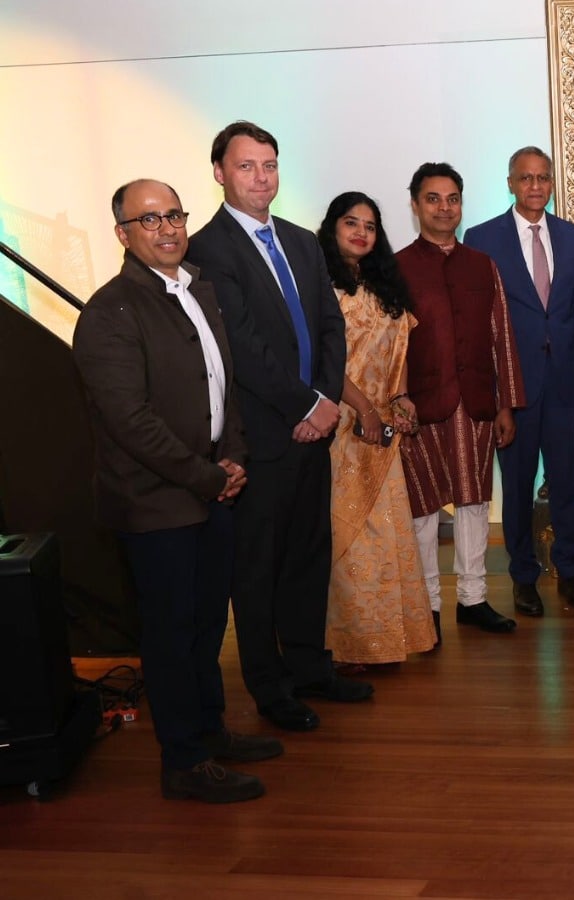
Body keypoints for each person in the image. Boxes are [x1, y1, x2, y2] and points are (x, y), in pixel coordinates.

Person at [75, 179, 279, 802]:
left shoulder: (201, 289)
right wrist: (209, 475)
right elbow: (129, 421)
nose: (166, 228)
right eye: (149, 219)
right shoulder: (110, 311)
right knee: (170, 631)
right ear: (123, 234)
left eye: (173, 215)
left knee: (206, 624)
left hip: (215, 487)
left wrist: (235, 456)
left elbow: (225, 386)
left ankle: (210, 731)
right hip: (157, 502)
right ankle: (184, 761)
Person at [187, 121, 370, 734]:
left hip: (311, 427)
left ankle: (311, 667)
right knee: (258, 567)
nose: (261, 177)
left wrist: (324, 402)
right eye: (246, 166)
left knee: (307, 555)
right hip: (263, 435)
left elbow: (329, 326)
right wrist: (304, 407)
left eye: (269, 165)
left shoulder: (299, 240)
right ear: (219, 172)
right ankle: (268, 687)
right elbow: (242, 345)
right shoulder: (208, 248)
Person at [463, 146, 574, 617]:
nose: (535, 186)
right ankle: (523, 576)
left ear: (552, 184)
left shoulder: (571, 237)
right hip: (512, 390)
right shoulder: (482, 239)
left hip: (564, 386)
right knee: (518, 488)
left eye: (543, 177)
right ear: (510, 182)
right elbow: (478, 327)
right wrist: (495, 396)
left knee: (565, 483)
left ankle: (571, 570)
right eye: (526, 178)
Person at [395, 162, 526, 636]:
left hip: (475, 404)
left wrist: (507, 403)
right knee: (424, 509)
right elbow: (390, 344)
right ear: (415, 205)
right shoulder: (396, 268)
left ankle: (473, 599)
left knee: (473, 504)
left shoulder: (481, 264)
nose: (444, 208)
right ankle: (425, 605)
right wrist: (397, 397)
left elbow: (502, 336)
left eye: (452, 199)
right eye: (433, 198)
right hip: (420, 408)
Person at [315, 192, 435, 663]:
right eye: (351, 223)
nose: (362, 232)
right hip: (341, 422)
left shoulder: (386, 286)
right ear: (333, 228)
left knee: (387, 530)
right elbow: (325, 359)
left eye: (370, 225)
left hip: (380, 425)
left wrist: (401, 398)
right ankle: (347, 644)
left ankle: (390, 639)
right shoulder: (321, 285)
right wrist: (364, 408)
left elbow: (400, 347)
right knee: (350, 531)